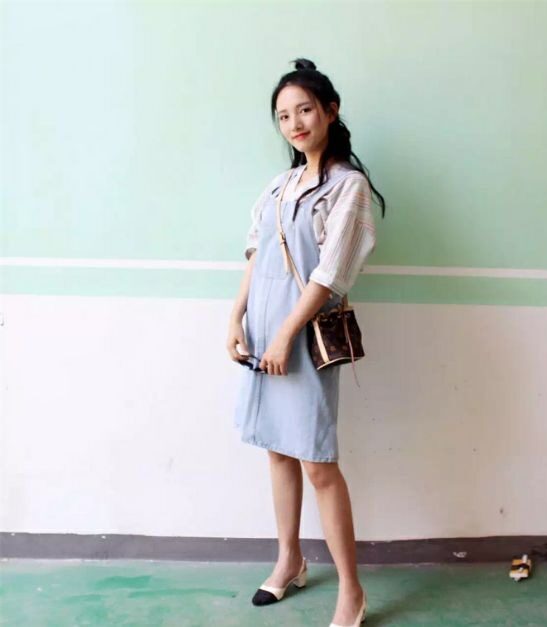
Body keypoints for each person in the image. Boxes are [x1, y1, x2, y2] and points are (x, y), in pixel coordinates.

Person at [226, 57, 386, 627]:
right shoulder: (279, 185)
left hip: (301, 334)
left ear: (330, 111)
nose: (294, 123)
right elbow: (256, 254)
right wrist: (237, 317)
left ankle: (351, 591)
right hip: (263, 332)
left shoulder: (348, 187)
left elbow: (330, 274)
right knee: (277, 449)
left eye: (305, 110)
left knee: (318, 462)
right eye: (284, 116)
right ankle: (289, 559)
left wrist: (285, 335)